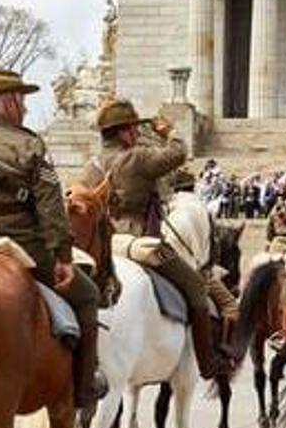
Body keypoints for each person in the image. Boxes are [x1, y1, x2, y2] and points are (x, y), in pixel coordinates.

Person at [0, 68, 103, 409]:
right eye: (24, 100)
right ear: (13, 101)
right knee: (88, 297)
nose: (27, 109)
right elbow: (50, 209)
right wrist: (62, 256)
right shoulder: (31, 145)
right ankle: (84, 387)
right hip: (23, 245)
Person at [84, 98, 230, 378]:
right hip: (139, 242)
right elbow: (179, 152)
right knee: (197, 289)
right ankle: (207, 362)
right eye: (133, 129)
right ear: (123, 132)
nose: (137, 134)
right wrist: (168, 131)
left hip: (104, 243)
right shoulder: (137, 157)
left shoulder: (91, 166)